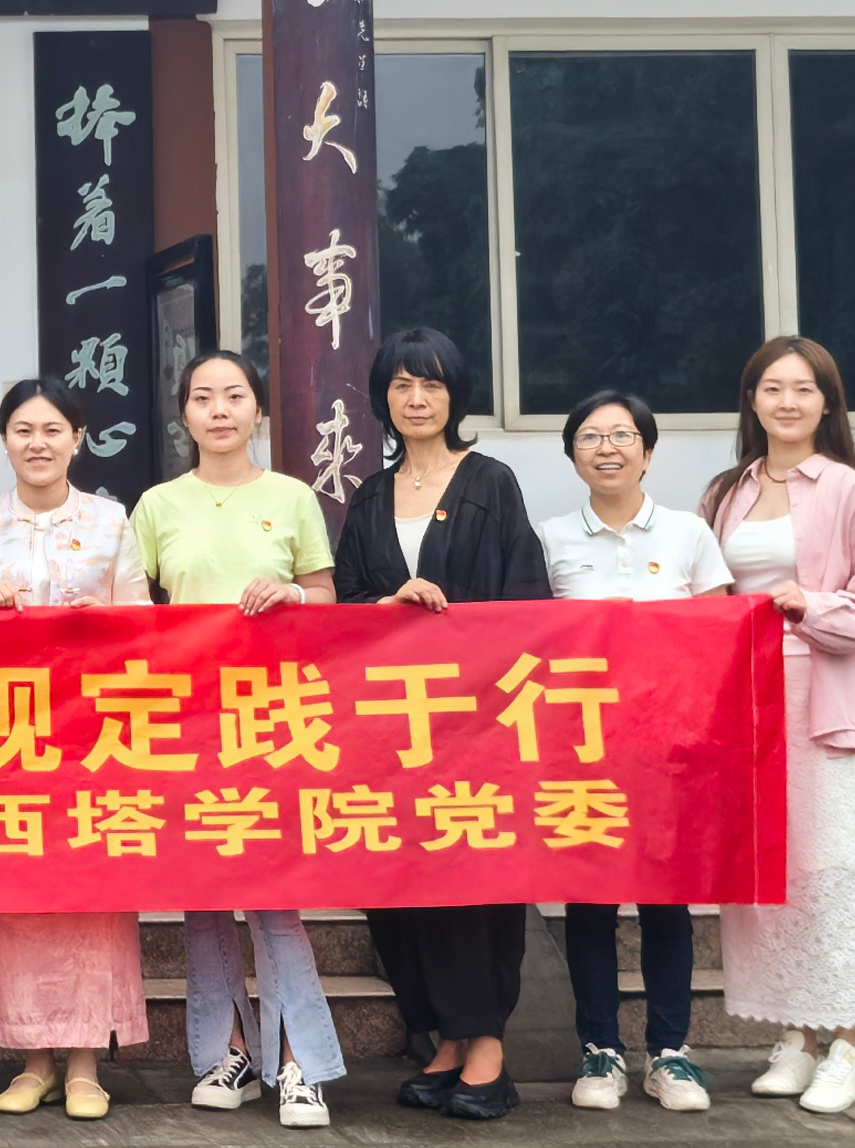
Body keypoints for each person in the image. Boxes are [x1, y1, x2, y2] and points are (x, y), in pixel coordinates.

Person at [119, 351, 343, 1132]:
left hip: (273, 721)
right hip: (186, 723)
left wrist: (293, 593)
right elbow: (129, 609)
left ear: (258, 411)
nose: (219, 409)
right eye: (203, 397)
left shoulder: (292, 496)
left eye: (234, 396)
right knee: (205, 898)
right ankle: (231, 1051)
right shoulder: (156, 505)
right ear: (184, 413)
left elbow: (327, 595)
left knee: (274, 898)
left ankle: (302, 1063)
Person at [326, 329, 547, 1122]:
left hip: (476, 727)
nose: (416, 399)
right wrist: (388, 606)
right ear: (382, 398)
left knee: (473, 882)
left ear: (456, 394)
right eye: (401, 385)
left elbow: (527, 602)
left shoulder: (491, 482)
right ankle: (446, 1038)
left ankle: (487, 1045)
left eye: (432, 384)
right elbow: (345, 603)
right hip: (391, 731)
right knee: (398, 886)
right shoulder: (369, 496)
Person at [700, 337, 855, 1115]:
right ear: (751, 400)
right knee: (771, 871)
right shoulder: (727, 491)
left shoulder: (848, 489)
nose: (788, 402)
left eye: (804, 388)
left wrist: (807, 603)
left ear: (827, 402)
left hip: (826, 699)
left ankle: (847, 1042)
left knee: (838, 870)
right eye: (772, 388)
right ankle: (796, 1034)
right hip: (747, 704)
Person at [0, 378, 146, 1123]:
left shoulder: (111, 519)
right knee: (14, 889)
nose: (38, 442)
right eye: (23, 430)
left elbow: (145, 622)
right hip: (4, 738)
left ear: (77, 439)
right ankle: (31, 1058)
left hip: (94, 736)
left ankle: (86, 1061)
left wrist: (107, 618)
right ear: (4, 441)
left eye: (53, 429)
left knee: (93, 891)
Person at [537, 389, 729, 1114]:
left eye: (622, 435)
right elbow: (528, 642)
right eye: (590, 437)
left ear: (647, 451)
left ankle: (670, 1052)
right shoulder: (551, 538)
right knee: (590, 903)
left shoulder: (688, 533)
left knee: (665, 902)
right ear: (572, 454)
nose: (607, 448)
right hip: (583, 751)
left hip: (669, 750)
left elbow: (719, 636)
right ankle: (600, 1049)